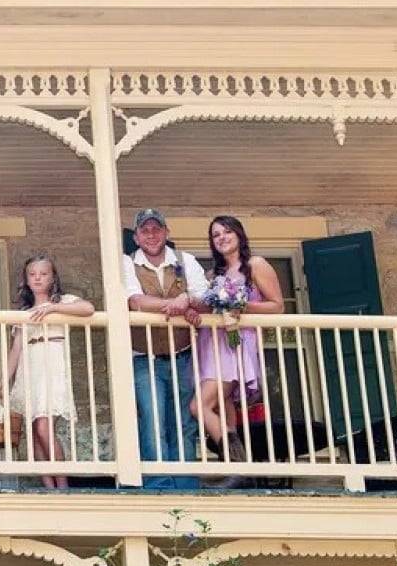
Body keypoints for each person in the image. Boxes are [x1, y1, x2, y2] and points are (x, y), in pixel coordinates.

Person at [122, 208, 209, 490]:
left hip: (183, 354)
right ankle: (159, 486)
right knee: (152, 420)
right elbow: (135, 301)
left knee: (184, 422)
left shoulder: (186, 261)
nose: (151, 235)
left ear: (166, 233)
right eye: (145, 230)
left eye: (156, 229)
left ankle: (185, 486)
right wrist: (180, 305)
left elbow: (205, 299)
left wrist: (188, 299)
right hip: (144, 357)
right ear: (136, 237)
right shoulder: (127, 263)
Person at [190, 215, 284, 466]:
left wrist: (241, 305)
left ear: (239, 234)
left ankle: (237, 464)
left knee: (199, 406)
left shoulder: (256, 265)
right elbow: (208, 309)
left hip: (235, 343)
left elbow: (277, 306)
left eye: (227, 232)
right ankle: (238, 468)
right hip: (212, 343)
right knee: (222, 405)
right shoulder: (213, 275)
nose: (222, 237)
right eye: (216, 234)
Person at [5, 254, 93, 489]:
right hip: (30, 366)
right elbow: (16, 349)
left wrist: (53, 307)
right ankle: (49, 487)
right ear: (26, 279)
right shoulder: (25, 311)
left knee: (45, 426)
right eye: (32, 274)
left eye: (43, 274)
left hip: (51, 363)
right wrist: (5, 380)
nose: (37, 278)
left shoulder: (63, 301)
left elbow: (88, 308)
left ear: (53, 277)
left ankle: (62, 486)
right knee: (33, 430)